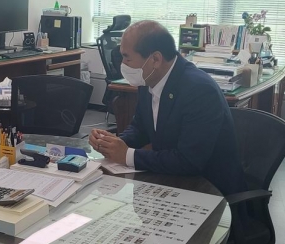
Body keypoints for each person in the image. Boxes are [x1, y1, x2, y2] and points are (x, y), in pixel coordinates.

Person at [89, 20, 245, 195]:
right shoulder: (148, 78)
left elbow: (189, 161)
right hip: (170, 180)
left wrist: (127, 155)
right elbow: (140, 128)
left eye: (127, 58)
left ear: (155, 59)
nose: (122, 65)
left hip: (210, 189)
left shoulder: (199, 90)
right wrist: (113, 143)